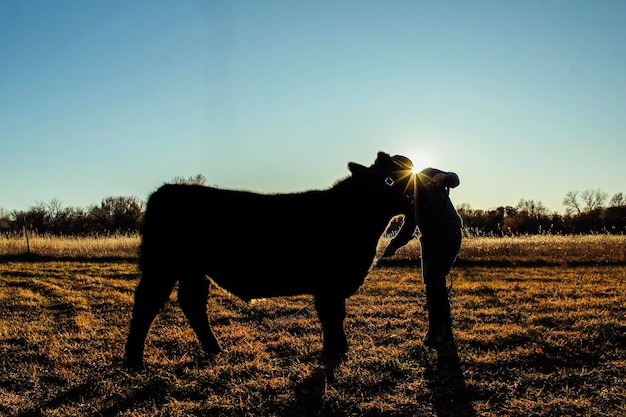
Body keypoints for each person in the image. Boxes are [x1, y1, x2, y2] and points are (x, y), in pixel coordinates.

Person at [382, 156, 462, 347]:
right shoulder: (406, 196)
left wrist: (444, 177)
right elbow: (409, 226)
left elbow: (455, 178)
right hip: (429, 238)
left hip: (448, 232)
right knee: (432, 282)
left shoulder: (428, 174)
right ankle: (444, 330)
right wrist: (393, 246)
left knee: (435, 279)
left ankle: (436, 330)